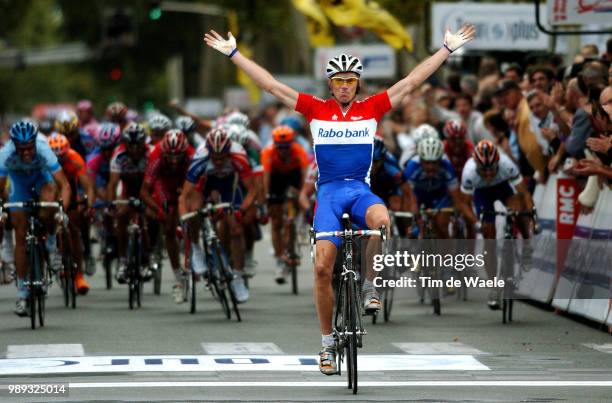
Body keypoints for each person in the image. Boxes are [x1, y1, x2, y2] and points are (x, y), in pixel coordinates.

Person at [204, 24, 475, 375]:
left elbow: (410, 82)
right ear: (330, 85)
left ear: (357, 84)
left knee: (383, 222)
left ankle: (369, 284)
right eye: (338, 81)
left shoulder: (373, 109)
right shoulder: (315, 109)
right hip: (329, 194)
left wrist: (446, 50)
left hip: (360, 191)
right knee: (321, 268)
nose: (344, 86)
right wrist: (234, 54)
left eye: (350, 80)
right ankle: (327, 344)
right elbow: (270, 85)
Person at [0, 120, 71, 316]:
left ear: (34, 143)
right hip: (19, 186)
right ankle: (23, 293)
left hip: (42, 180)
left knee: (48, 202)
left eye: (29, 147)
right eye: (21, 148)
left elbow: (64, 184)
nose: (26, 152)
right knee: (20, 235)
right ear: (14, 144)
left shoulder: (43, 149)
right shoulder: (5, 154)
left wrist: (60, 211)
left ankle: (50, 242)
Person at [179, 128, 257, 303]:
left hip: (229, 185)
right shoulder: (200, 157)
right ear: (209, 152)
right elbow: (185, 196)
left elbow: (252, 190)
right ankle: (196, 249)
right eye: (216, 157)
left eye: (223, 157)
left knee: (236, 229)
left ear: (229, 151)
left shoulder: (238, 156)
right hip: (205, 183)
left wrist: (241, 210)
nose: (220, 161)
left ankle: (237, 278)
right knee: (194, 213)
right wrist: (184, 219)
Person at [460, 140, 535, 309]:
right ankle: (494, 286)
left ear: (498, 163)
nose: (487, 175)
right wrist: (477, 222)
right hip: (482, 195)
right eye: (483, 171)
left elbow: (524, 194)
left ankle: (527, 243)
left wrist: (530, 213)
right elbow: (464, 203)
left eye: (491, 170)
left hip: (502, 188)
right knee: (489, 238)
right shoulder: (469, 171)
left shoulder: (506, 165)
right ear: (476, 165)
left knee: (518, 209)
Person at [140, 129, 195, 304]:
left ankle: (194, 251)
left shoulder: (191, 154)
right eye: (169, 156)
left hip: (184, 182)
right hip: (164, 185)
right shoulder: (156, 154)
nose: (173, 160)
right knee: (169, 227)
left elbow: (199, 184)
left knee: (192, 215)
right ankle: (178, 277)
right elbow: (144, 191)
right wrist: (159, 211)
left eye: (177, 156)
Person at [261, 125, 309, 284]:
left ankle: (297, 223)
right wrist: (268, 196)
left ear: (291, 144)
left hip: (294, 175)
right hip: (277, 178)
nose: (283, 150)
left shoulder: (299, 151)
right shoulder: (268, 152)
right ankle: (279, 259)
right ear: (275, 145)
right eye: (279, 147)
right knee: (276, 222)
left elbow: (304, 176)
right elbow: (266, 177)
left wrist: (303, 194)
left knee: (299, 201)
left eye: (286, 147)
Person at [48, 133, 95, 295]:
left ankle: (79, 275)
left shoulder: (75, 158)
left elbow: (86, 184)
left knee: (74, 230)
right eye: (56, 158)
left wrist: (89, 205)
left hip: (71, 193)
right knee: (48, 220)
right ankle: (53, 250)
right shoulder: (44, 160)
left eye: (62, 157)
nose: (59, 160)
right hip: (52, 190)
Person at [107, 122, 153, 283]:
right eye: (130, 145)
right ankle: (122, 259)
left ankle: (148, 256)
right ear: (125, 144)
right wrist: (112, 203)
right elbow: (113, 183)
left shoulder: (151, 153)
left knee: (149, 217)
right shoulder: (118, 155)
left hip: (148, 188)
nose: (134, 148)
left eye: (138, 144)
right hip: (127, 188)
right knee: (121, 216)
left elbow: (157, 180)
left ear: (143, 143)